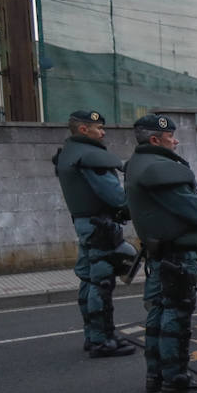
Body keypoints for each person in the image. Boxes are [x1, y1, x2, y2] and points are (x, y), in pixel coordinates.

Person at [124, 114, 197, 393]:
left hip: (159, 253)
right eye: (171, 136)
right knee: (176, 316)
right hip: (177, 255)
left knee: (158, 312)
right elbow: (189, 205)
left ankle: (156, 373)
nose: (176, 140)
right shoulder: (160, 168)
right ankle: (176, 380)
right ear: (155, 139)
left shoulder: (137, 164)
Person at [52, 109, 136, 359]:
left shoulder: (68, 154)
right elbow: (116, 197)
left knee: (89, 280)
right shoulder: (91, 156)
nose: (103, 132)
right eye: (97, 128)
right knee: (101, 282)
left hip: (85, 223)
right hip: (101, 226)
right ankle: (102, 340)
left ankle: (94, 336)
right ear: (82, 129)